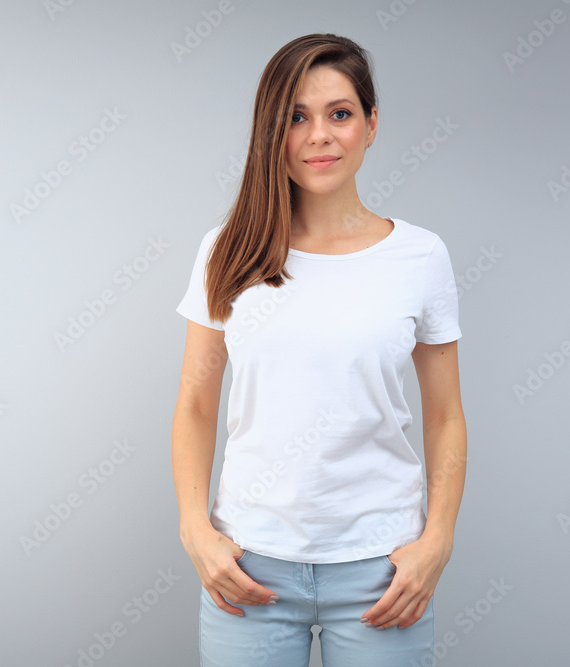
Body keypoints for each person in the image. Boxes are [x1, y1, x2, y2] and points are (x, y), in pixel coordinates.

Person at [173, 32, 467, 666]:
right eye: (296, 117)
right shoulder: (227, 250)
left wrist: (436, 539)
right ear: (270, 131)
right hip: (249, 569)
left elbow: (445, 414)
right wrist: (197, 532)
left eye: (340, 113)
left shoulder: (419, 257)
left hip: (383, 575)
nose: (319, 135)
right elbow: (196, 403)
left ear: (371, 124)